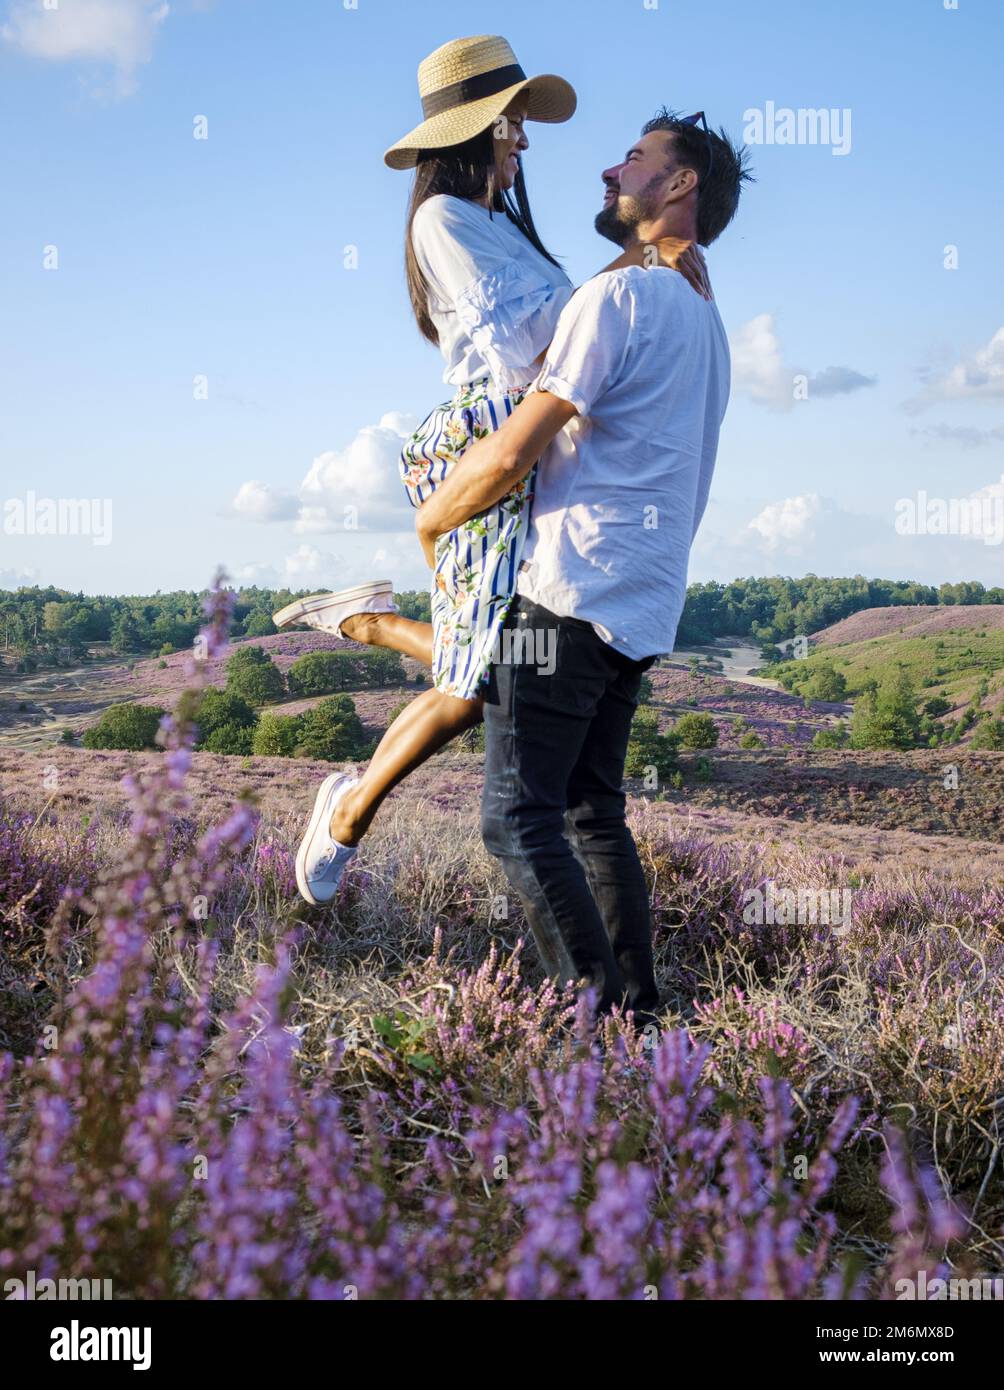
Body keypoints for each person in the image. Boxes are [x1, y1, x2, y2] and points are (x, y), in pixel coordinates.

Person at [273, 36, 709, 906]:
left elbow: (570, 331)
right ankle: (350, 800)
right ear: (477, 129)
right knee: (485, 680)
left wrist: (640, 269)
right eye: (513, 124)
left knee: (499, 666)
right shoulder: (443, 222)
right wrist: (638, 265)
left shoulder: (497, 224)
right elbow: (532, 344)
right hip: (484, 439)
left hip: (521, 437)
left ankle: (367, 630)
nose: (524, 141)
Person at [411, 109, 752, 1028]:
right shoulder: (704, 317)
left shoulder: (622, 299)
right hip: (643, 601)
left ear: (678, 186)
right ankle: (641, 1023)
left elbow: (514, 451)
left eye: (636, 159)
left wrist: (433, 520)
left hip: (567, 592)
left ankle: (599, 1029)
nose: (611, 168)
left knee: (517, 819)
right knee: (593, 812)